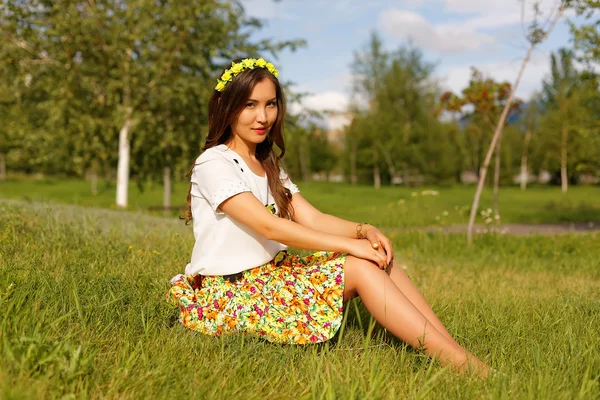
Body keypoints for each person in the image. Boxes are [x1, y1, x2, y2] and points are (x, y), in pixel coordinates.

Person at [167, 57, 490, 377]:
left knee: (377, 254)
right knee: (360, 265)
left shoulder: (267, 163)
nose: (262, 117)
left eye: (271, 104)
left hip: (270, 278)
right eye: (249, 105)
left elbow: (313, 218)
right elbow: (267, 224)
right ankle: (467, 368)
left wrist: (364, 231)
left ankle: (452, 352)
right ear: (226, 106)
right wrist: (351, 247)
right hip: (230, 290)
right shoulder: (214, 163)